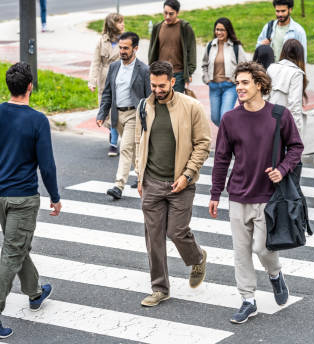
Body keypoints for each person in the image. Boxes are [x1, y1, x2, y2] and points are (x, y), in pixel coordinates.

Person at [209, 62, 303, 323]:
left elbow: (296, 147)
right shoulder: (230, 119)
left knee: (262, 249)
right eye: (237, 83)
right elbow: (221, 159)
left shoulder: (279, 115)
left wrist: (282, 169)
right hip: (238, 194)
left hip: (268, 197)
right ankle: (248, 300)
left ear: (260, 85)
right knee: (241, 253)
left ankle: (275, 275)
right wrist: (216, 193)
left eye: (245, 82)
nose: (239, 87)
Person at [0, 62, 62, 339]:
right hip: (23, 197)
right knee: (12, 253)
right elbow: (46, 165)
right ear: (29, 87)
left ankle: (35, 292)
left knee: (17, 245)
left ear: (8, 85)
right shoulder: (37, 120)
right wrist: (55, 197)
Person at [135, 60, 210, 307]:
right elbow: (140, 142)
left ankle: (197, 257)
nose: (157, 90)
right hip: (152, 182)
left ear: (172, 81)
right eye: (154, 85)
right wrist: (139, 175)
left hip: (181, 183)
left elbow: (203, 144)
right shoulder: (144, 107)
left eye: (162, 85)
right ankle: (160, 288)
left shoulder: (191, 107)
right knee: (153, 238)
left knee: (176, 231)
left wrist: (187, 175)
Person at [96, 32, 151, 200]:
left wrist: (148, 117)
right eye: (120, 48)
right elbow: (107, 93)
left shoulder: (143, 70)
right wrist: (102, 113)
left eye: (126, 48)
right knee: (133, 150)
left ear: (135, 48)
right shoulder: (114, 67)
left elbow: (149, 97)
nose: (122, 51)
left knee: (126, 148)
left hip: (133, 115)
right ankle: (142, 175)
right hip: (116, 114)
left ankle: (118, 185)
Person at [88, 13, 124, 157]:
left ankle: (113, 144)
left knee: (115, 111)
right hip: (104, 80)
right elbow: (95, 62)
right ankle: (112, 132)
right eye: (119, 22)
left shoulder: (125, 40)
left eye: (123, 22)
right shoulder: (102, 41)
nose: (122, 24)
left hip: (119, 78)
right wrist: (92, 81)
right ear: (111, 25)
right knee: (105, 111)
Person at [201, 17, 248, 126]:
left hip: (229, 87)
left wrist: (235, 81)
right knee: (215, 118)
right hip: (214, 86)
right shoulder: (210, 46)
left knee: (224, 116)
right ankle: (231, 132)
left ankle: (226, 141)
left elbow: (245, 66)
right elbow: (204, 64)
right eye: (217, 29)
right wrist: (207, 79)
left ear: (228, 31)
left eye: (222, 30)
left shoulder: (235, 47)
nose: (219, 32)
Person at [148, 0, 196, 94]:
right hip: (160, 74)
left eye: (171, 14)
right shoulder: (157, 27)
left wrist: (189, 72)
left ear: (177, 13)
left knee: (175, 105)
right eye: (165, 13)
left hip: (178, 74)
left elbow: (192, 51)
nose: (167, 17)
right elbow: (152, 50)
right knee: (160, 103)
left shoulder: (185, 27)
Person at [267, 38, 308, 138]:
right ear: (300, 55)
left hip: (268, 121)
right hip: (285, 125)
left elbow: (264, 96)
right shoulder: (296, 73)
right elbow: (294, 105)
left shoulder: (271, 67)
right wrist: (296, 134)